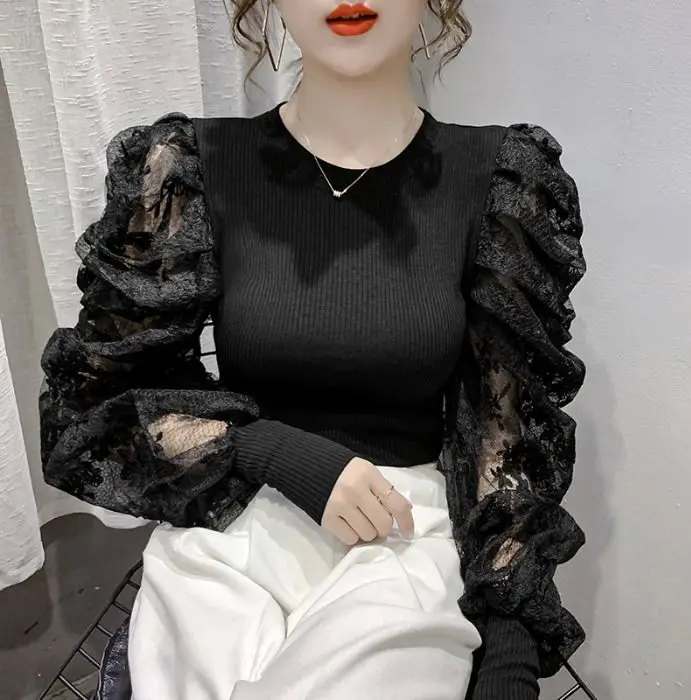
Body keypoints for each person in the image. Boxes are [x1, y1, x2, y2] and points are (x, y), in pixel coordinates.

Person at [38, 1, 588, 698]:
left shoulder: (498, 182)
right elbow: (96, 402)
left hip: (403, 535)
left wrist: (508, 653)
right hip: (233, 522)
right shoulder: (190, 169)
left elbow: (506, 450)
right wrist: (273, 452)